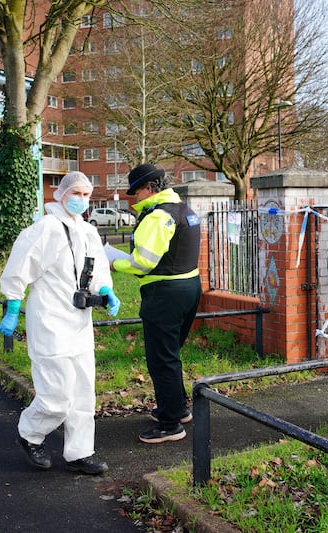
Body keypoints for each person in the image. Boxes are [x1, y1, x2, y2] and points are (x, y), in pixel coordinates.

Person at [0, 171, 120, 474]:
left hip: (79, 323)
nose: (81, 200)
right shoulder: (46, 229)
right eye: (75, 193)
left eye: (86, 195)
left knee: (82, 391)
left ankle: (80, 452)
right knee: (57, 394)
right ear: (61, 195)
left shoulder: (88, 232)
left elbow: (98, 269)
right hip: (50, 322)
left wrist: (105, 290)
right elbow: (19, 267)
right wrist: (13, 305)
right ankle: (30, 434)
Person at [110, 163, 201, 444]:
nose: (134, 198)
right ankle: (177, 409)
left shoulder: (157, 217)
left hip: (165, 293)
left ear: (149, 188)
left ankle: (170, 424)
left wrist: (113, 262)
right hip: (189, 288)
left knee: (161, 359)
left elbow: (143, 262)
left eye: (135, 192)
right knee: (171, 354)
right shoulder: (185, 210)